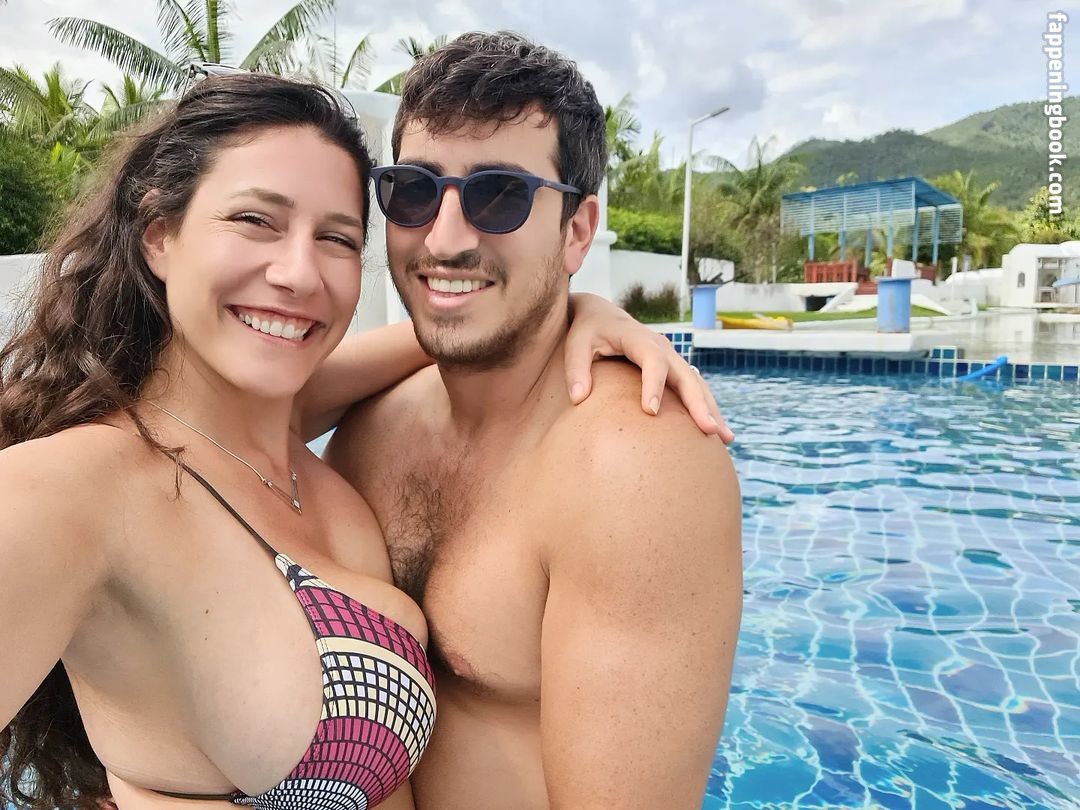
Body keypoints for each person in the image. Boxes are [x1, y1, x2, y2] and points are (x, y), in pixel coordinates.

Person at [0, 71, 724, 810]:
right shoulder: (76, 486)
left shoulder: (296, 449)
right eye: (254, 220)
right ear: (158, 235)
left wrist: (572, 307)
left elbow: (429, 337)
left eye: (337, 238)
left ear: (576, 230)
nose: (297, 273)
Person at [325, 31, 743, 810]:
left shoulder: (632, 468)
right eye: (414, 190)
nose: (446, 238)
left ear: (577, 230)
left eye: (499, 195)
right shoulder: (369, 430)